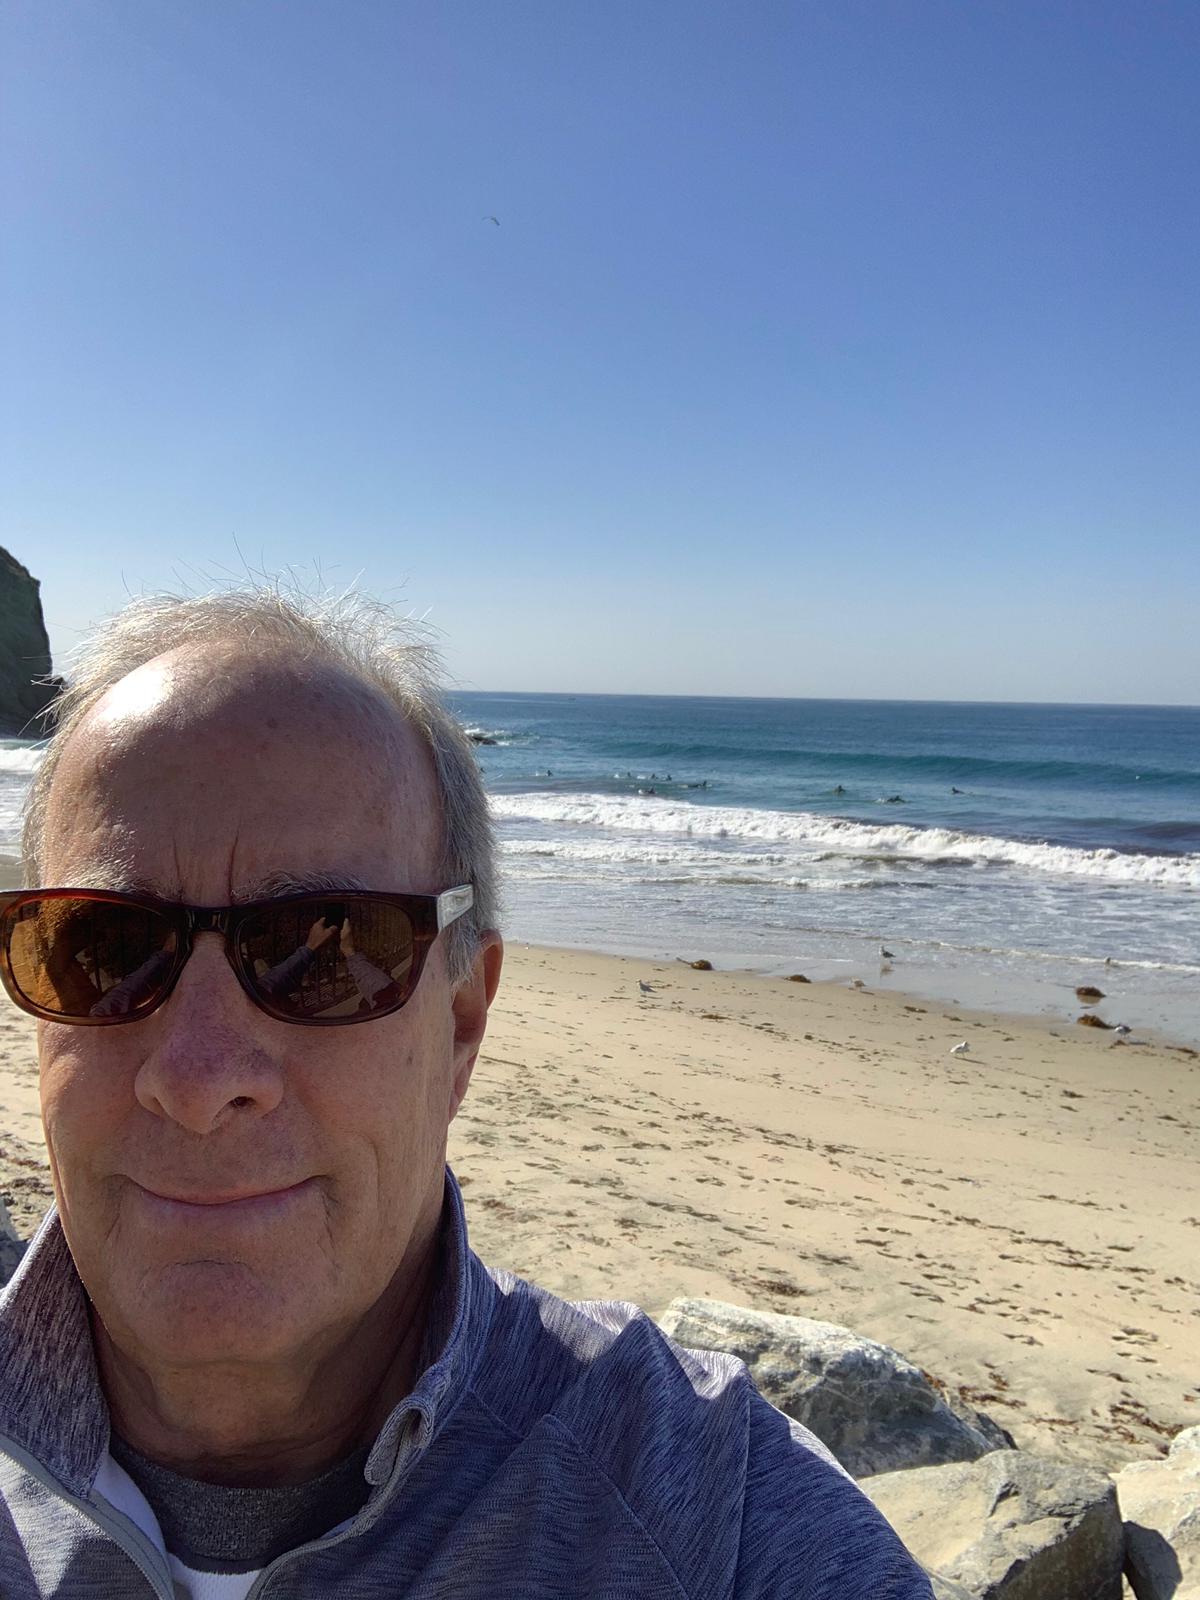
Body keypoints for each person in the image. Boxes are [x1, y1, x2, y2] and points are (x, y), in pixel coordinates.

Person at [0, 588, 933, 1599]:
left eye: (328, 950)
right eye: (104, 948)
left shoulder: (717, 1516)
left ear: (461, 1024)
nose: (198, 1078)